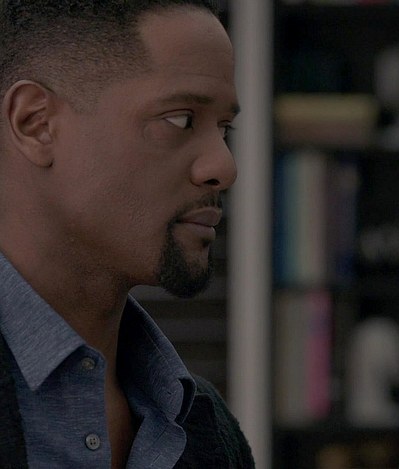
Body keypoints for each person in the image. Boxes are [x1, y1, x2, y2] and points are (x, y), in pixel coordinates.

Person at [0, 1, 254, 467]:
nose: (224, 166)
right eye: (180, 120)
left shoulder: (208, 433)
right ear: (36, 124)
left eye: (223, 129)